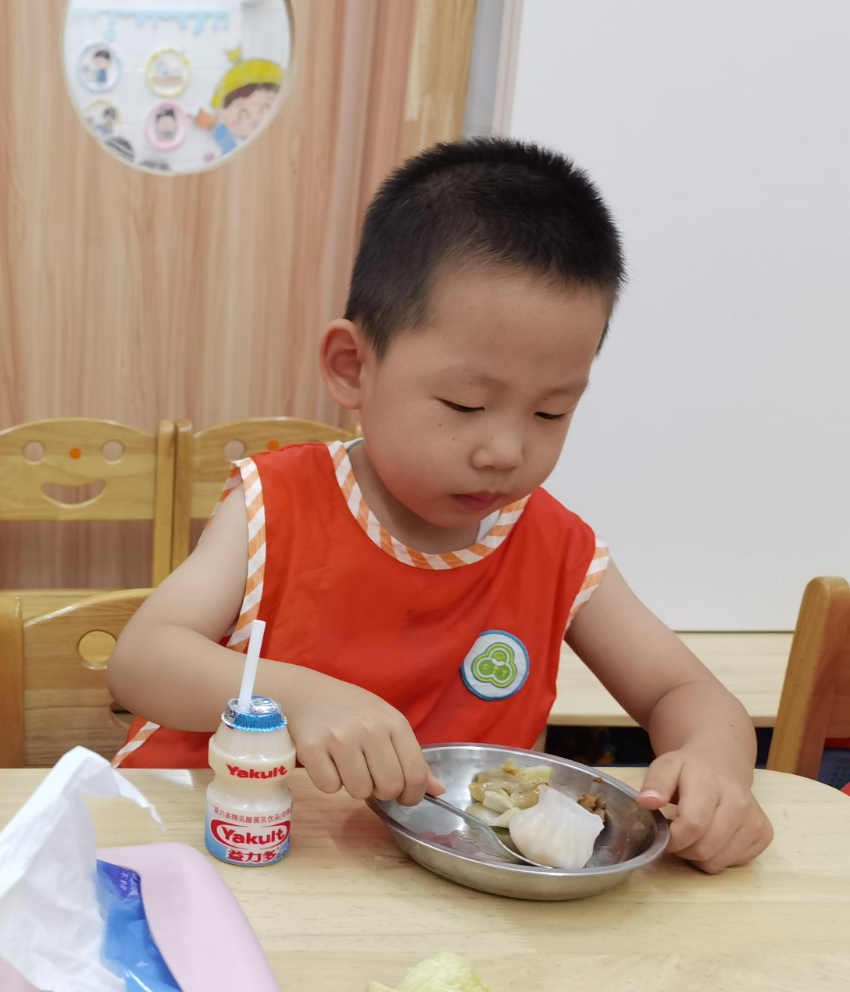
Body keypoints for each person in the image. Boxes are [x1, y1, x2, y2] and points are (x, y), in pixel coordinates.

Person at [108, 138, 772, 874]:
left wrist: (713, 769)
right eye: (465, 403)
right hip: (214, 851)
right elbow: (141, 661)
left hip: (427, 891)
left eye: (551, 413)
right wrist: (295, 696)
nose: (506, 450)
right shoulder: (279, 501)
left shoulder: (555, 546)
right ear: (354, 367)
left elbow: (685, 690)